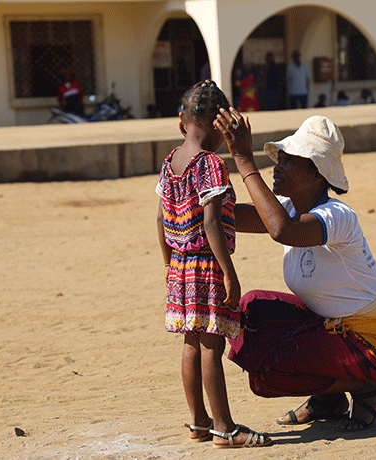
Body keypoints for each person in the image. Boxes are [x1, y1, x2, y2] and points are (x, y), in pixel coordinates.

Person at [213, 108, 376, 432]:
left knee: (266, 376)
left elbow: (281, 230)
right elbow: (235, 217)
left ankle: (364, 386)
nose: (278, 167)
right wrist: (193, 196)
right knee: (250, 308)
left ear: (318, 174)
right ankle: (329, 398)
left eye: (288, 161)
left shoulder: (337, 215)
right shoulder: (290, 207)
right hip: (331, 325)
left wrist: (245, 160)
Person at [156, 80, 271, 448]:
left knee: (191, 343)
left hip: (180, 267)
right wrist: (228, 272)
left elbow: (160, 219)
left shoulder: (170, 161)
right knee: (212, 346)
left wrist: (169, 264)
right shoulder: (210, 165)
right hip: (206, 266)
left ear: (181, 123)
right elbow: (210, 222)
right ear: (221, 129)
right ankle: (225, 427)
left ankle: (198, 422)